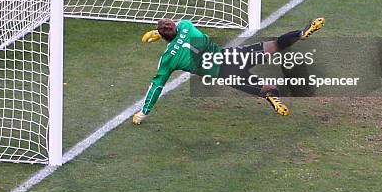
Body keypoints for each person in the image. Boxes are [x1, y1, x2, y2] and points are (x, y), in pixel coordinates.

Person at [132, 17, 326, 125]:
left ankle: (272, 97)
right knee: (274, 45)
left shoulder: (168, 59)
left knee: (263, 88)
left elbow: (156, 86)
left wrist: (143, 113)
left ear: (164, 38)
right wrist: (159, 32)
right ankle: (300, 34)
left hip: (225, 73)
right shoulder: (186, 26)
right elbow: (176, 26)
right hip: (232, 55)